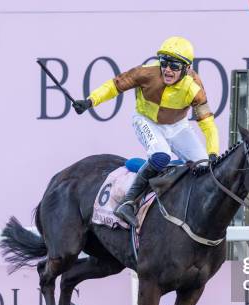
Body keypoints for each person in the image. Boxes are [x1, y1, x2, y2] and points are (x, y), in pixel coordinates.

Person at [72, 36, 220, 228]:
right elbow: (114, 86)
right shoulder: (147, 72)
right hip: (147, 121)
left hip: (178, 126)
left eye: (174, 66)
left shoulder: (194, 86)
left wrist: (213, 152)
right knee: (161, 156)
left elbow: (207, 123)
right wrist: (90, 101)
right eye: (164, 63)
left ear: (186, 68)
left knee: (206, 166)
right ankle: (127, 203)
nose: (167, 69)